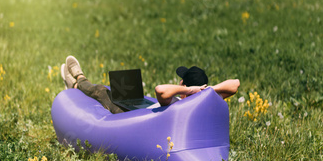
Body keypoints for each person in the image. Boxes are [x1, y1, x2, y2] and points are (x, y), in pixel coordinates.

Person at [61, 56, 240, 114]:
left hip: (133, 116)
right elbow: (235, 84)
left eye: (181, 81)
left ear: (184, 84)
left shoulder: (177, 104)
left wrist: (190, 91)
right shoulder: (205, 101)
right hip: (145, 108)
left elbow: (160, 90)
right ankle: (77, 83)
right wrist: (206, 90)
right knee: (119, 91)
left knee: (101, 91)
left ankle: (79, 80)